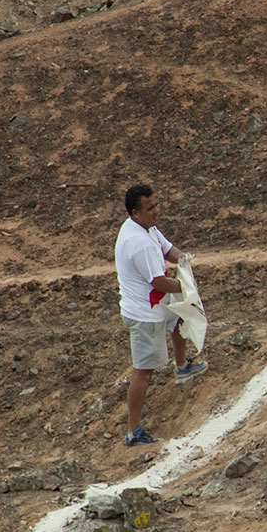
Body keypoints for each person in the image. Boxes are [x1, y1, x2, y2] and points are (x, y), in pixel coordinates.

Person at [115, 183, 208, 448]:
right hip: (144, 314)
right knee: (143, 372)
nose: (156, 211)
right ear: (135, 212)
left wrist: (183, 260)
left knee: (179, 316)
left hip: (156, 305)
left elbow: (168, 250)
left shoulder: (146, 228)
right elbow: (157, 281)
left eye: (156, 205)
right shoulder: (138, 242)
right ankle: (133, 432)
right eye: (150, 208)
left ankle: (182, 367)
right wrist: (186, 286)